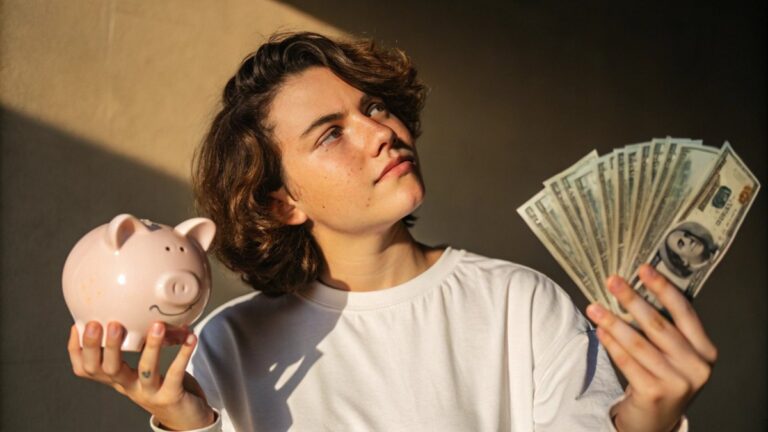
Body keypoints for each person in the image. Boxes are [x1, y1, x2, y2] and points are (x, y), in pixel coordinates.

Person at [67, 32, 717, 431]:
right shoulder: (222, 346)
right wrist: (187, 423)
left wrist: (643, 425)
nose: (382, 132)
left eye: (373, 107)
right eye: (331, 133)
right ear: (282, 200)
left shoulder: (522, 304)